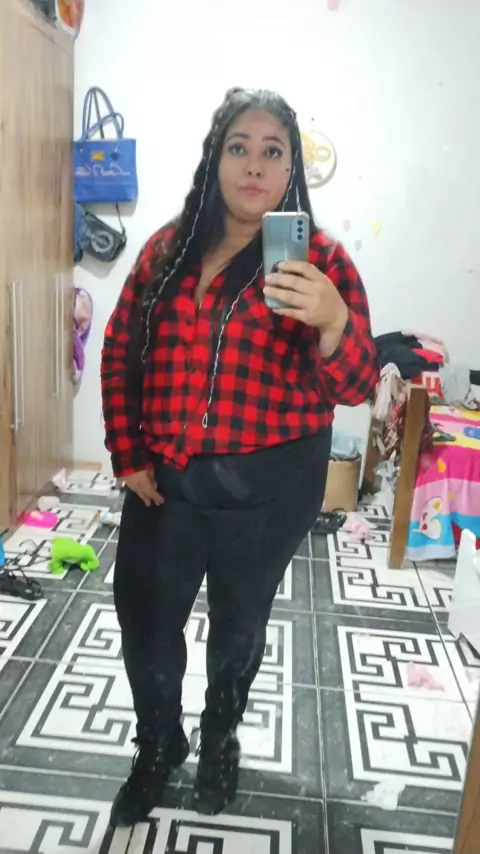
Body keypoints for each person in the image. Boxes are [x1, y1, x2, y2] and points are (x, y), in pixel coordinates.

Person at [101, 86, 378, 827]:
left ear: (292, 170)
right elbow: (121, 352)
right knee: (145, 622)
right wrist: (128, 452)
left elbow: (354, 387)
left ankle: (220, 739)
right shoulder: (166, 251)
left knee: (238, 627)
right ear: (214, 157)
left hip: (268, 490)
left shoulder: (321, 261)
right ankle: (158, 743)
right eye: (239, 147)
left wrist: (333, 321)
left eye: (272, 151)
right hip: (165, 482)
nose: (254, 165)